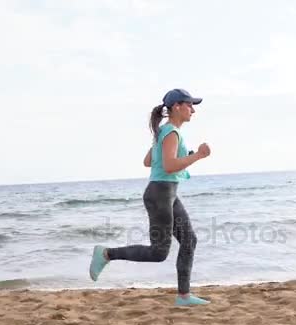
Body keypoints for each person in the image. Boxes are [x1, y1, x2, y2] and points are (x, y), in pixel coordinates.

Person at [88, 88, 211, 306]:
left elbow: (149, 162)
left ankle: (183, 296)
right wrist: (198, 156)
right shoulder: (171, 132)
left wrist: (185, 156)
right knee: (159, 252)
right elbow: (169, 165)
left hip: (167, 193)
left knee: (189, 240)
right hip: (160, 194)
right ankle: (106, 254)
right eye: (190, 105)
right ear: (176, 107)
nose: (193, 110)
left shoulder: (163, 132)